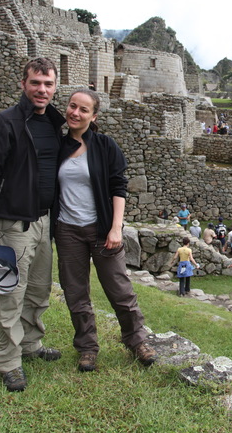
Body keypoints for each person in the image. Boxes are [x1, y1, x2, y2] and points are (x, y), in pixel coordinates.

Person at [0, 57, 65, 392]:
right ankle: (9, 361)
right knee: (9, 293)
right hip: (12, 224)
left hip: (44, 221)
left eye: (48, 84)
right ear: (23, 84)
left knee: (39, 290)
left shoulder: (54, 123)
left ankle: (30, 344)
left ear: (55, 87)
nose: (42, 89)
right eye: (35, 83)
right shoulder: (5, 122)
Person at [53, 88, 156, 373]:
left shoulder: (104, 145)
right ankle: (87, 347)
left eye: (83, 110)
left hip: (101, 230)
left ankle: (136, 341)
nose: (75, 113)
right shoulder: (57, 146)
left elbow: (118, 187)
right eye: (72, 106)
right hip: (67, 230)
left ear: (94, 116)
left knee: (120, 289)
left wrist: (115, 228)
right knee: (75, 293)